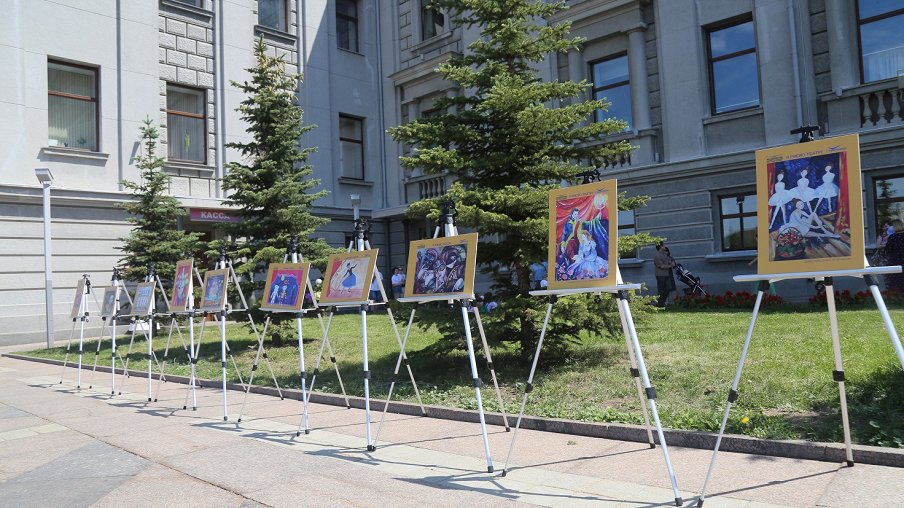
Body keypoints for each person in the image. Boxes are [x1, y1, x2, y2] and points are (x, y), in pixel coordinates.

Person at [653, 242, 676, 307]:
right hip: (660, 275)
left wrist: (672, 262)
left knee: (668, 288)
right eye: (664, 245)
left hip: (667, 274)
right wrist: (670, 266)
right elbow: (661, 266)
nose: (665, 246)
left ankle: (662, 303)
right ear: (661, 247)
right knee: (661, 290)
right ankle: (659, 304)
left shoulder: (665, 254)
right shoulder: (657, 256)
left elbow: (669, 261)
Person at [884, 219, 904, 292]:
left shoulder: (892, 237)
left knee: (897, 285)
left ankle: (898, 296)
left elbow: (887, 250)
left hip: (896, 262)